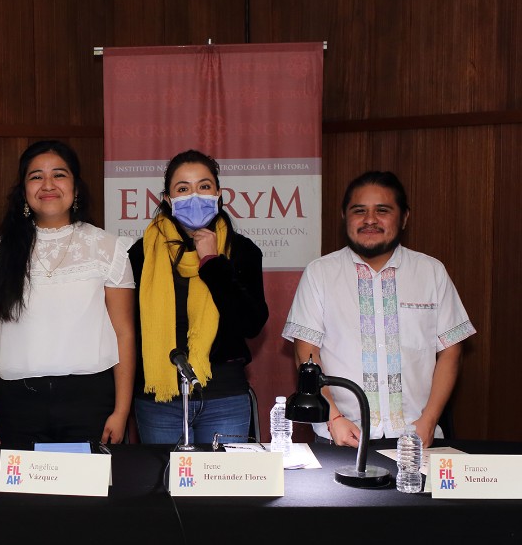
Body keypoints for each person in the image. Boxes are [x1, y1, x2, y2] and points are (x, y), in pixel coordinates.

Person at [283, 171, 475, 448]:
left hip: (417, 436)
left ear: (404, 217)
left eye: (382, 211)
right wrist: (334, 420)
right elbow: (306, 354)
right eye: (359, 211)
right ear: (344, 216)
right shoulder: (320, 273)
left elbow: (451, 350)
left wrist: (429, 421)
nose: (370, 220)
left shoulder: (431, 272)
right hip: (341, 435)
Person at [0, 140, 135, 447]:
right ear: (23, 190)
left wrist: (121, 410)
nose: (47, 184)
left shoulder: (108, 248)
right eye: (36, 176)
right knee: (20, 494)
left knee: (85, 493)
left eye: (59, 175)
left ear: (75, 186)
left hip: (90, 404)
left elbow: (124, 333)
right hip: (15, 405)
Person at [130, 149, 269, 445]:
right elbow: (127, 331)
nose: (194, 196)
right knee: (163, 487)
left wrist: (213, 263)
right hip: (158, 399)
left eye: (204, 186)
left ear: (218, 193)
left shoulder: (242, 251)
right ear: (168, 199)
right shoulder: (141, 254)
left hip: (224, 396)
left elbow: (251, 323)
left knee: (223, 488)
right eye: (183, 189)